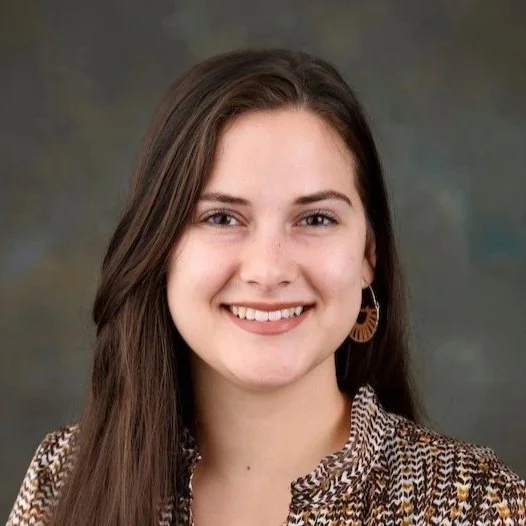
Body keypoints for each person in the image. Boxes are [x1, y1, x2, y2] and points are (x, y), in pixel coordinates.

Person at [7, 48, 525, 526]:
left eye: (317, 219)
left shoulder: (479, 504)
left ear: (370, 255)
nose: (268, 269)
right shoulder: (63, 480)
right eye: (222, 218)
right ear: (159, 247)